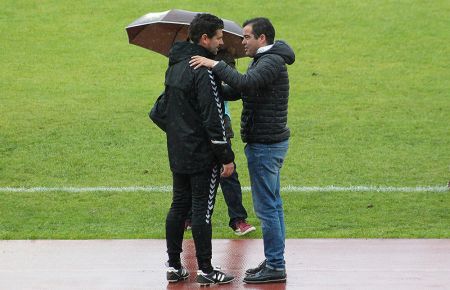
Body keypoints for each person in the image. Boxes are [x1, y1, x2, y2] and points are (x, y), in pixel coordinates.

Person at [190, 17, 295, 284]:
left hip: (265, 146)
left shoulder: (270, 61)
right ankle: (275, 260)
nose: (242, 42)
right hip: (267, 143)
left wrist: (214, 64)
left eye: (246, 37)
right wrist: (210, 85)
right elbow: (238, 90)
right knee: (274, 205)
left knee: (267, 208)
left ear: (262, 39)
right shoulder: (265, 61)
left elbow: (246, 83)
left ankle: (275, 264)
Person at [163, 13, 235, 286]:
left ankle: (173, 265)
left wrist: (180, 133)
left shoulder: (174, 66)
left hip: (178, 151)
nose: (220, 42)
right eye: (218, 37)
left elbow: (160, 110)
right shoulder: (203, 70)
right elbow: (213, 118)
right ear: (204, 38)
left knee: (178, 206)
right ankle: (205, 269)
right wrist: (226, 156)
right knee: (202, 211)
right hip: (202, 154)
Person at [184, 49, 256, 237]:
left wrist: (216, 73)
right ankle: (191, 216)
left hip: (220, 121)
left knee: (228, 171)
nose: (220, 41)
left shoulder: (223, 56)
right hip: (193, 121)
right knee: (197, 169)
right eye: (217, 37)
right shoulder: (187, 56)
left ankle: (238, 219)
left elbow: (234, 87)